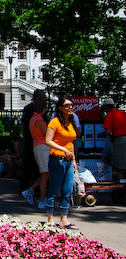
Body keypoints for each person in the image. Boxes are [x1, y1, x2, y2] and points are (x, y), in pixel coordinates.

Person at [44, 95, 78, 229]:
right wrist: (63, 149)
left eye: (72, 105)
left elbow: (71, 143)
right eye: (67, 105)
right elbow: (48, 141)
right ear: (60, 108)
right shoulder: (55, 122)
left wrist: (74, 160)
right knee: (54, 189)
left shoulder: (71, 122)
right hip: (57, 160)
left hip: (69, 161)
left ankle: (64, 218)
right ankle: (50, 218)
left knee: (67, 190)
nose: (70, 107)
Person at [21, 95, 49, 209]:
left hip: (39, 146)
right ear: (44, 109)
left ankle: (31, 191)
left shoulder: (34, 118)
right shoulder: (39, 121)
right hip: (42, 147)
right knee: (45, 174)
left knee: (45, 174)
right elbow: (48, 135)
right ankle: (42, 199)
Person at [20, 89, 45, 193]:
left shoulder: (27, 108)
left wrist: (24, 136)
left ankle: (24, 186)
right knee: (38, 167)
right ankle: (37, 188)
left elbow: (22, 123)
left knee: (27, 164)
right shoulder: (38, 112)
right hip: (38, 140)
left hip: (30, 138)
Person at [102, 98, 126, 177]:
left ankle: (121, 186)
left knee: (119, 166)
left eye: (105, 108)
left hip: (119, 141)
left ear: (107, 107)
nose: (105, 110)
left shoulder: (110, 115)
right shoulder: (123, 113)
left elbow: (108, 132)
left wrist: (101, 135)